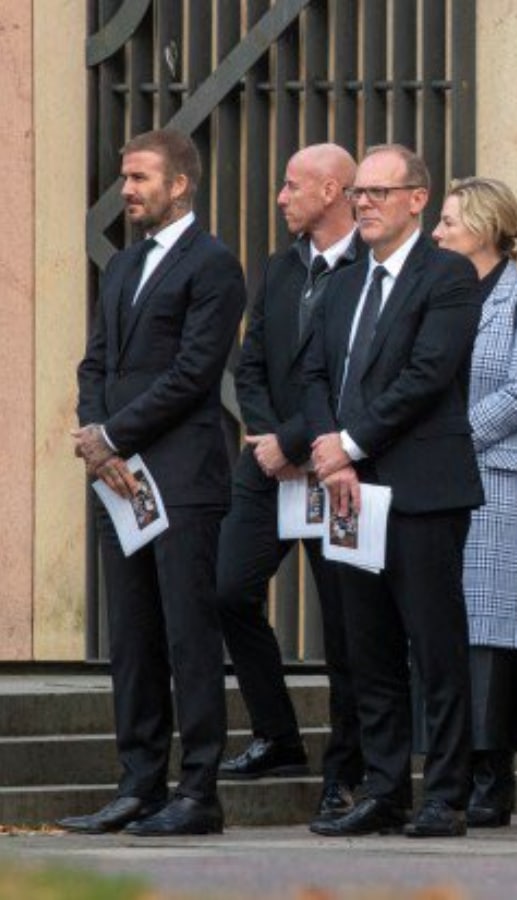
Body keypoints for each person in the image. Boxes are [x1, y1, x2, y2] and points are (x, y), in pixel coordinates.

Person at [64, 129, 246, 836]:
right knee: (133, 637)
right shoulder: (122, 264)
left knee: (187, 636)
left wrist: (114, 435)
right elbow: (95, 366)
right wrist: (95, 439)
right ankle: (137, 784)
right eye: (125, 177)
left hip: (182, 478)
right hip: (119, 480)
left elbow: (192, 375)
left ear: (181, 184)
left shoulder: (214, 265)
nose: (128, 190)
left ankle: (198, 792)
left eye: (140, 178)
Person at [302, 144, 483, 838]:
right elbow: (314, 374)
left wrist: (349, 444)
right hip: (350, 492)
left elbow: (426, 375)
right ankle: (384, 789)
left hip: (421, 489)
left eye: (381, 191)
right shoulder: (344, 282)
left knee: (434, 647)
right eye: (359, 194)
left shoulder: (449, 275)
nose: (366, 203)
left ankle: (445, 794)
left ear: (418, 199)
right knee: (366, 647)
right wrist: (331, 452)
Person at [214, 144, 365, 827]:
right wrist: (270, 438)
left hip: (340, 466)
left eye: (291, 185)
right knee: (226, 590)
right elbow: (249, 365)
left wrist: (301, 443)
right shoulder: (280, 268)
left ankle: (347, 770)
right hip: (268, 466)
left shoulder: (369, 268)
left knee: (346, 622)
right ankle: (277, 735)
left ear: (332, 190)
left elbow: (362, 374)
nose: (280, 197)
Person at [429, 177, 517, 827]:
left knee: (492, 629)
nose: (437, 232)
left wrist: (450, 440)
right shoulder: (435, 295)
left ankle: (491, 775)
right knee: (444, 625)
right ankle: (446, 767)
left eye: (449, 222)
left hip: (496, 481)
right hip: (434, 480)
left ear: (483, 228)